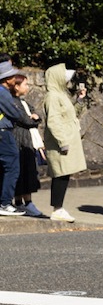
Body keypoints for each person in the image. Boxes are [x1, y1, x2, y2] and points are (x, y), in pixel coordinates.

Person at [41, 63, 83, 223]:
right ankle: (57, 209)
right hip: (61, 143)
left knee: (64, 174)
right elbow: (53, 121)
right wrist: (63, 142)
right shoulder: (53, 96)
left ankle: (59, 208)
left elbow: (69, 115)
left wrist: (79, 101)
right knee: (61, 174)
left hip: (65, 140)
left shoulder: (60, 94)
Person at [0, 60, 33, 218]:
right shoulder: (2, 92)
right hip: (3, 132)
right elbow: (15, 113)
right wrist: (24, 116)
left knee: (5, 167)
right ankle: (5, 203)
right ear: (7, 79)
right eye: (12, 76)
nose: (15, 78)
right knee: (12, 167)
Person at [12, 73, 45, 217]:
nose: (27, 87)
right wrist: (33, 119)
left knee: (27, 171)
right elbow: (26, 119)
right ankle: (23, 202)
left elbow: (36, 116)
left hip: (26, 140)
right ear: (16, 86)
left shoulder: (23, 102)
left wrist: (35, 118)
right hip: (19, 140)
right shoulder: (13, 102)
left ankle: (24, 202)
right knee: (22, 171)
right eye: (25, 84)